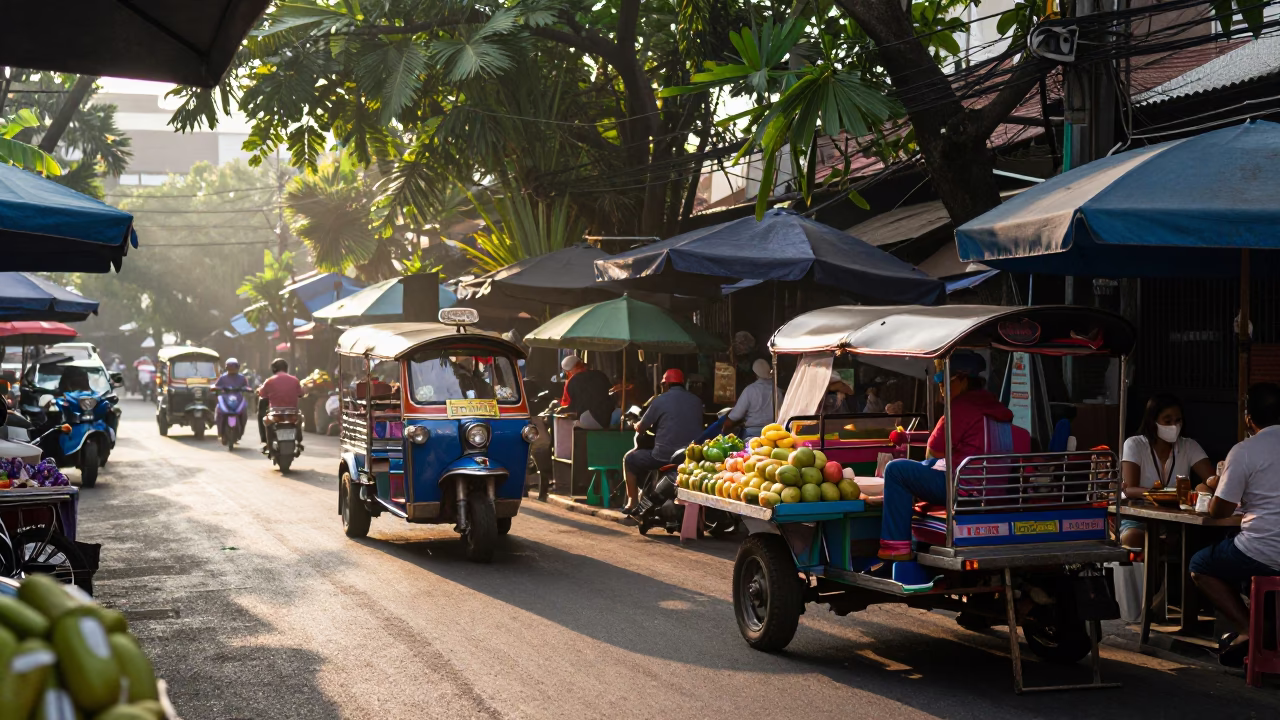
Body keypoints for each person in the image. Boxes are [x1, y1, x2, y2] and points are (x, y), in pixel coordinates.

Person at [873, 351, 1028, 561]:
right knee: (927, 466)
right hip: (991, 490)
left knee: (896, 471)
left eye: (944, 381)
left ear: (963, 380)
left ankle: (895, 547)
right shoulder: (994, 406)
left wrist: (929, 462)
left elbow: (934, 449)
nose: (941, 388)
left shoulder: (961, 407)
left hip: (964, 490)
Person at [1190, 383, 1280, 667]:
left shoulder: (1244, 450)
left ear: (1248, 417)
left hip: (1264, 550)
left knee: (1201, 564)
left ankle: (1250, 629)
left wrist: (1212, 489)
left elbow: (1219, 510)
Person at [1119, 394, 1215, 548]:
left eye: (1178, 420)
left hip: (1178, 520)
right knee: (1131, 537)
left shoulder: (1189, 446)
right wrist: (1156, 494)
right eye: (1168, 421)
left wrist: (1205, 487)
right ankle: (1164, 547)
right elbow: (1129, 488)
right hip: (1140, 519)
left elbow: (1212, 479)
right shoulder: (1135, 445)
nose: (1174, 426)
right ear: (1153, 421)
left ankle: (1166, 548)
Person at [621, 368, 704, 513]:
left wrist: (635, 424)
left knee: (629, 459)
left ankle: (632, 502)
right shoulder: (696, 401)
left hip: (664, 456)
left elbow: (641, 428)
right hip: (691, 456)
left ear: (665, 385)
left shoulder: (660, 400)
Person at [257, 358, 303, 452]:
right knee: (300, 419)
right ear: (286, 368)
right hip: (292, 413)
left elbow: (262, 393)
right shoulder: (295, 380)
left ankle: (266, 442)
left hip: (275, 413)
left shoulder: (269, 381)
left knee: (264, 419)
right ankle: (298, 441)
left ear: (274, 369)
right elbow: (301, 393)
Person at [724, 358, 774, 439]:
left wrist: (725, 427)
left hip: (752, 435)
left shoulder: (750, 390)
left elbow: (736, 414)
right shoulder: (777, 391)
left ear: (755, 374)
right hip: (772, 434)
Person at [564, 359, 613, 430]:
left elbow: (572, 405)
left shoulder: (572, 382)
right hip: (609, 417)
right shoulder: (600, 374)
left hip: (590, 418)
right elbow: (610, 392)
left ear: (569, 371)